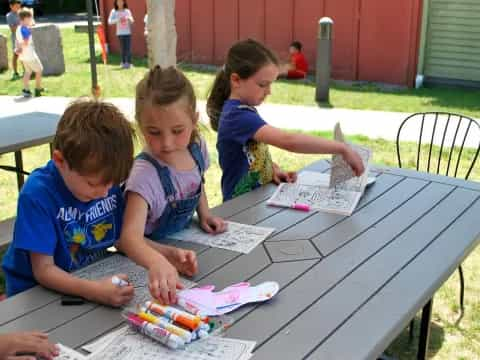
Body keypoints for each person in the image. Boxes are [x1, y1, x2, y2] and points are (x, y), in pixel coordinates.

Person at [1, 99, 136, 307]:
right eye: (92, 184)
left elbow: (122, 239)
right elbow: (43, 271)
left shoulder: (104, 181)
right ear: (60, 161)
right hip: (35, 295)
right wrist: (95, 291)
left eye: (112, 183)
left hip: (88, 278)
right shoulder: (38, 195)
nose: (104, 193)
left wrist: (163, 255)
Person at [117, 66, 226, 304]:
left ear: (194, 121)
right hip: (143, 259)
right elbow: (129, 239)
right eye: (154, 132)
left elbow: (196, 182)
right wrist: (160, 258)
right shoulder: (144, 176)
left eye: (177, 131)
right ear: (139, 124)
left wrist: (204, 212)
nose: (166, 143)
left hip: (184, 243)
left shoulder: (196, 148)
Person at [207, 39, 365, 201]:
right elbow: (289, 141)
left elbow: (251, 153)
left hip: (253, 203)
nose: (269, 92)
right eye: (263, 84)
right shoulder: (237, 116)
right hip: (238, 208)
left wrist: (272, 170)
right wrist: (342, 148)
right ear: (236, 80)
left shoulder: (244, 110)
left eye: (271, 84)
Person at [16, 7, 44, 98]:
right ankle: (38, 89)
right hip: (29, 54)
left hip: (23, 56)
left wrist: (18, 48)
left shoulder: (19, 28)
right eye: (29, 18)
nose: (31, 20)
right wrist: (21, 46)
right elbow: (26, 41)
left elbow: (32, 24)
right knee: (39, 70)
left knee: (28, 71)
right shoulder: (25, 29)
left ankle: (26, 90)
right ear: (25, 19)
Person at [108, 0, 134, 69]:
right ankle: (123, 62)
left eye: (121, 1)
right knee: (123, 48)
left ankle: (129, 63)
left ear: (124, 2)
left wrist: (129, 19)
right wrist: (117, 20)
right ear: (116, 3)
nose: (120, 3)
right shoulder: (114, 11)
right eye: (118, 2)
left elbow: (132, 20)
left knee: (128, 48)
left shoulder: (127, 11)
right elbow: (109, 22)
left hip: (128, 32)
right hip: (120, 33)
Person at [6, 0, 21, 81]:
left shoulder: (21, 13)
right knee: (16, 55)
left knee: (25, 54)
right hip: (16, 39)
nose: (18, 8)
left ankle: (27, 71)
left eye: (19, 6)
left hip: (24, 38)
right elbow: (12, 29)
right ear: (11, 6)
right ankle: (15, 73)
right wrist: (22, 24)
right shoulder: (9, 15)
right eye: (16, 6)